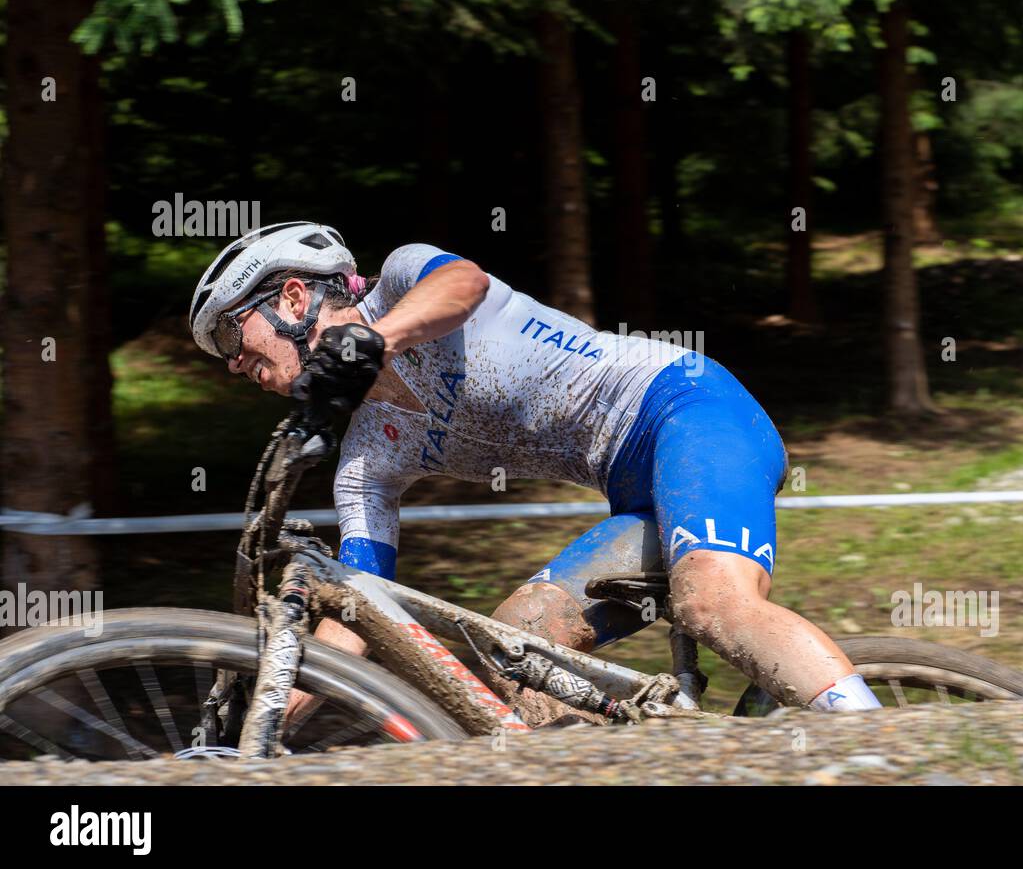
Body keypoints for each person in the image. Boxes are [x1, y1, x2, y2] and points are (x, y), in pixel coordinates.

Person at [189, 221, 882, 725]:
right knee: (511, 654)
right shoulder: (368, 457)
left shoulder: (405, 279)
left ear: (288, 299)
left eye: (229, 334)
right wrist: (269, 717)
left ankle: (882, 751)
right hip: (636, 489)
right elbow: (357, 610)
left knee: (712, 604)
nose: (230, 363)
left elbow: (465, 283)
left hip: (689, 409)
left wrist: (377, 340)